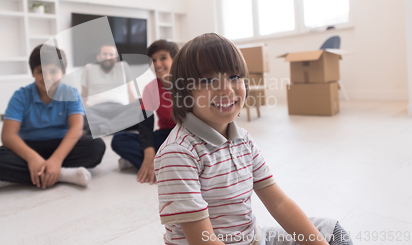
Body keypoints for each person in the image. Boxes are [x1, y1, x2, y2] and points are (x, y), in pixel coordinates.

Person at [154, 33, 353, 245]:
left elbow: (279, 202)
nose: (227, 90)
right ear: (184, 92)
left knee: (331, 232)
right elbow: (202, 240)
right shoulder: (178, 153)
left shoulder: (243, 140)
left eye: (234, 77)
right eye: (208, 80)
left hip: (253, 239)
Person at [0, 44, 106, 190]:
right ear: (32, 73)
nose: (47, 77)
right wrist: (33, 158)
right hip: (29, 148)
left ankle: (19, 177)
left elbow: (76, 129)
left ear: (63, 72)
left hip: (61, 145)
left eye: (53, 71)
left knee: (96, 146)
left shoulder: (70, 93)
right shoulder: (20, 96)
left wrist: (56, 159)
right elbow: (8, 136)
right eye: (40, 71)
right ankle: (63, 174)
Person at [111, 40, 179, 184]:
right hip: (165, 137)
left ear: (175, 59)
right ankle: (163, 164)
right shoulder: (150, 88)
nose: (158, 64)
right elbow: (145, 126)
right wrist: (149, 153)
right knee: (119, 140)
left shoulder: (189, 84)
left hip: (188, 135)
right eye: (153, 60)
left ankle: (145, 163)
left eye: (163, 58)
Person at [81, 44, 139, 136]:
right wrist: (80, 110)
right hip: (94, 110)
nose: (108, 57)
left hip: (120, 109)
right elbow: (84, 94)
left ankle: (101, 129)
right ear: (98, 57)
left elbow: (129, 90)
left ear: (116, 58)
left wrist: (135, 107)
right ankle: (116, 125)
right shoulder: (89, 68)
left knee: (141, 107)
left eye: (111, 54)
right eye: (104, 54)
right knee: (80, 113)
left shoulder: (123, 67)